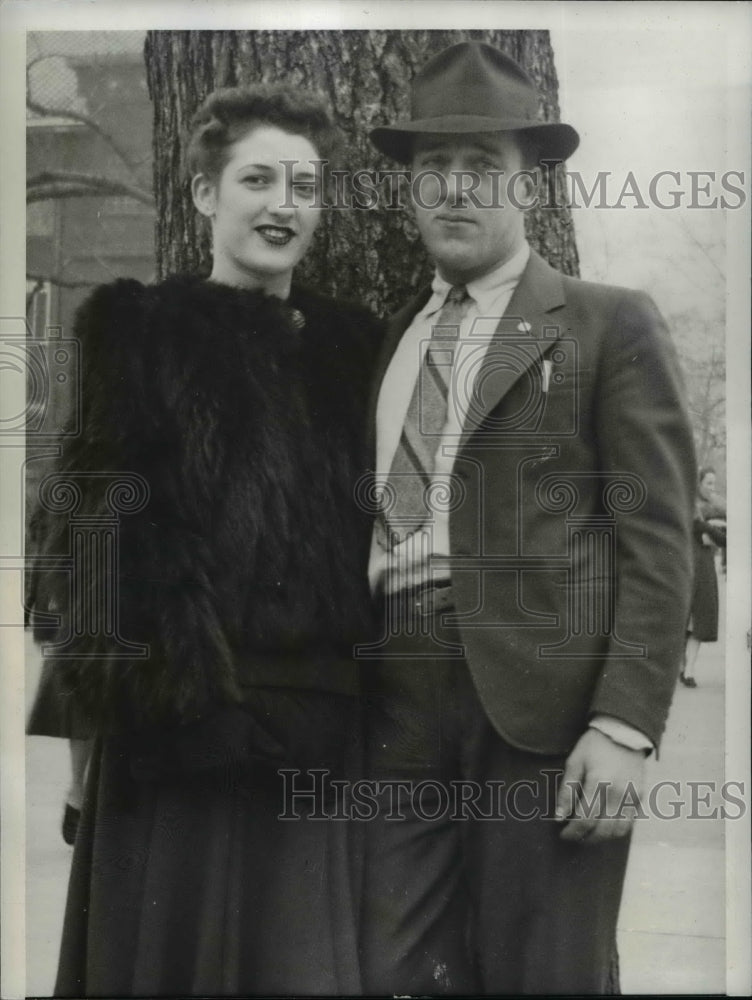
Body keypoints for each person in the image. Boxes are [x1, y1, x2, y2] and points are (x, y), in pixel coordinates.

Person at [29, 84, 382, 996]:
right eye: (257, 180)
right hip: (181, 732)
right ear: (203, 194)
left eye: (304, 186)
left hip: (319, 735)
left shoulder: (357, 347)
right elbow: (98, 545)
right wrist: (186, 714)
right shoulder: (137, 331)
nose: (283, 205)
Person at [360, 42, 696, 994]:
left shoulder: (606, 323)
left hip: (544, 715)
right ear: (410, 190)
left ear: (532, 187)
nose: (456, 188)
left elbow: (659, 536)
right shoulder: (393, 339)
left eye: (484, 166)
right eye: (435, 167)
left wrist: (626, 725)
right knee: (386, 969)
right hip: (392, 700)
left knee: (543, 972)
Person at [682, 466, 727, 687]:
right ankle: (684, 668)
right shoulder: (690, 504)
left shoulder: (712, 506)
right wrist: (716, 528)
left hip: (704, 565)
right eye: (708, 483)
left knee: (698, 620)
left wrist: (715, 527)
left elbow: (714, 536)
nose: (712, 487)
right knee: (687, 620)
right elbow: (704, 534)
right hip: (690, 564)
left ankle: (688, 670)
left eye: (713, 483)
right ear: (698, 483)